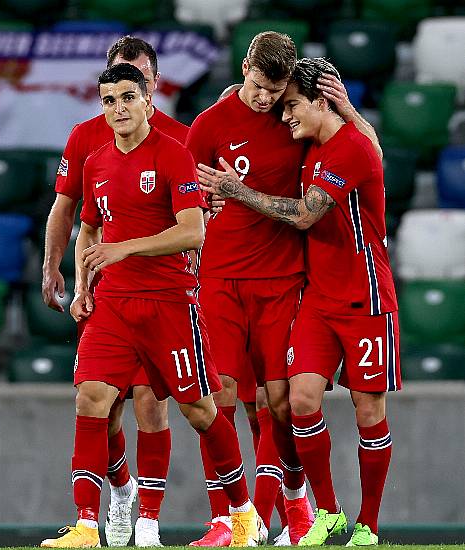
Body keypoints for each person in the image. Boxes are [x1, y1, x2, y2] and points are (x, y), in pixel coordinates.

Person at [41, 63, 261, 549]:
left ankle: (243, 513)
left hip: (169, 303)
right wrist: (83, 286)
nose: (117, 108)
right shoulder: (95, 162)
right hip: (114, 303)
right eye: (108, 100)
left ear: (147, 101)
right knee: (91, 398)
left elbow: (193, 230)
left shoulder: (173, 156)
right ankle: (84, 525)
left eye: (126, 97)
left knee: (200, 411)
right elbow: (91, 231)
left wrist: (125, 249)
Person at [198, 57, 398, 548]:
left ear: (320, 101)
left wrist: (237, 192)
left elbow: (307, 215)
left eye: (291, 106)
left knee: (368, 411)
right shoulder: (310, 144)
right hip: (317, 298)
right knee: (299, 400)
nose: (283, 116)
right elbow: (240, 106)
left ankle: (367, 524)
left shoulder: (349, 149)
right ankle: (326, 511)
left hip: (365, 297)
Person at [42, 36, 190, 547]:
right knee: (99, 404)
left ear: (153, 86)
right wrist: (58, 269)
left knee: (152, 400)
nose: (122, 103)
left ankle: (148, 517)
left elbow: (199, 222)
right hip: (108, 289)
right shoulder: (87, 138)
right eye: (114, 88)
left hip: (164, 292)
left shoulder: (179, 141)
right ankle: (119, 489)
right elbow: (70, 211)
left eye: (136, 85)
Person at [184, 30, 310, 546]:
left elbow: (357, 150)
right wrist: (197, 206)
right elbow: (182, 185)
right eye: (258, 86)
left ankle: (296, 503)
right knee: (222, 397)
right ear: (244, 68)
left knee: (279, 403)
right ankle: (228, 519)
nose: (264, 99)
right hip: (219, 278)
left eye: (274, 91)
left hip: (281, 278)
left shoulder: (297, 118)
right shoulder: (211, 123)